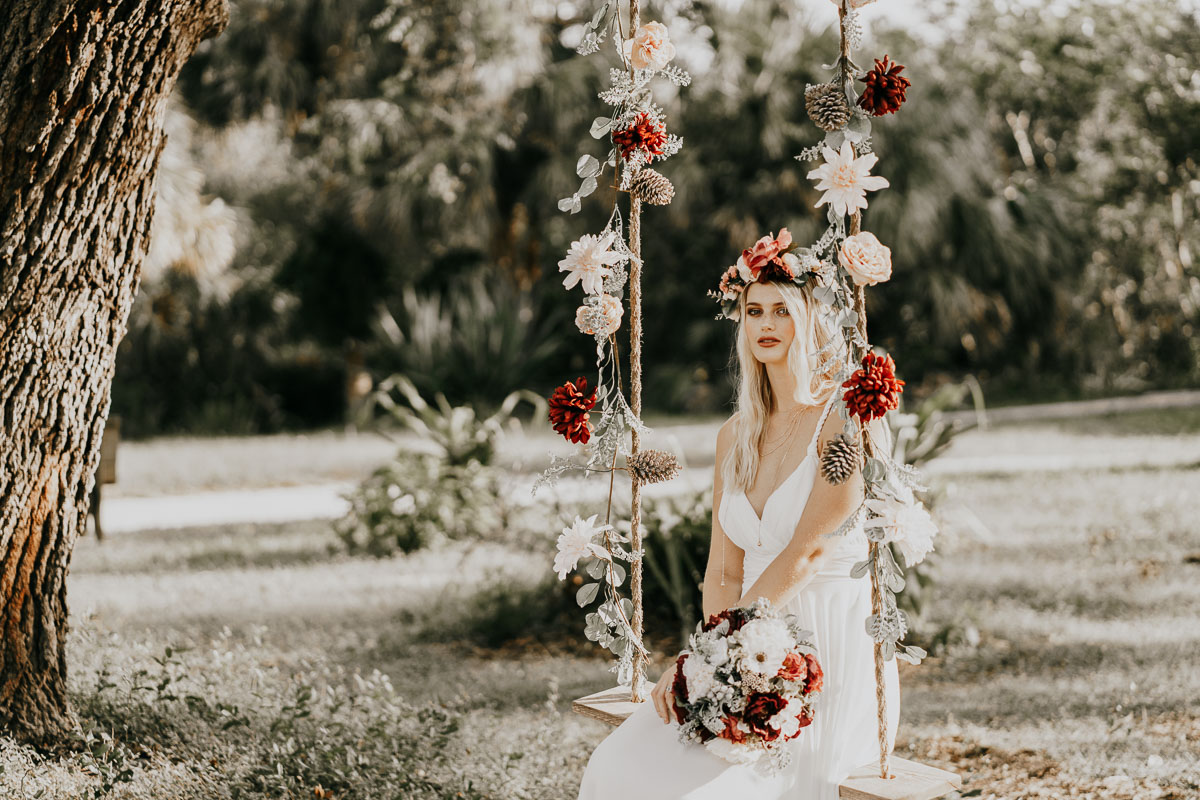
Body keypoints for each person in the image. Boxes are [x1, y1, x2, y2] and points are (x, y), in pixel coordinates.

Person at [577, 243, 900, 799]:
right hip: (739, 642)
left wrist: (723, 647)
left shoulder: (845, 417)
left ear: (813, 317)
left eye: (783, 310)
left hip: (821, 644)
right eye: (754, 310)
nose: (767, 324)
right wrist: (710, 664)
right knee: (618, 766)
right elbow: (723, 571)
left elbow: (809, 552)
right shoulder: (734, 435)